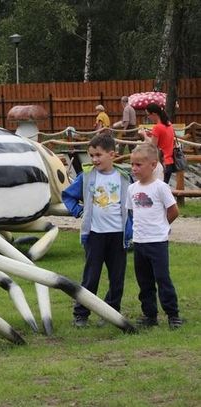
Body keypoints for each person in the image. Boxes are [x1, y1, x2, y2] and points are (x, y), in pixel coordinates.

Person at [62, 133, 133, 328]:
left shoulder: (125, 177)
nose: (94, 159)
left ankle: (111, 313)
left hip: (118, 236)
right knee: (91, 277)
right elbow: (67, 196)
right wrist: (79, 211)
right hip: (94, 235)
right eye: (91, 155)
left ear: (112, 154)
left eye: (98, 155)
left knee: (117, 278)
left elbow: (133, 204)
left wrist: (133, 227)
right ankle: (81, 314)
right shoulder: (86, 176)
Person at [126, 143, 182, 329]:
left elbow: (173, 211)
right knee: (144, 281)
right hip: (140, 242)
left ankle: (172, 314)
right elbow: (133, 213)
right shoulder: (132, 189)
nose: (134, 168)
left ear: (153, 165)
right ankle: (150, 315)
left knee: (162, 278)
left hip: (157, 242)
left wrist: (162, 227)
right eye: (132, 164)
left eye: (139, 165)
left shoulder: (161, 187)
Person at [139, 103, 175, 184]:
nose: (148, 117)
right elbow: (164, 138)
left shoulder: (157, 127)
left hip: (161, 163)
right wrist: (152, 134)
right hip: (169, 162)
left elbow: (152, 146)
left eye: (148, 115)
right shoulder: (169, 124)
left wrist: (144, 135)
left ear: (154, 114)